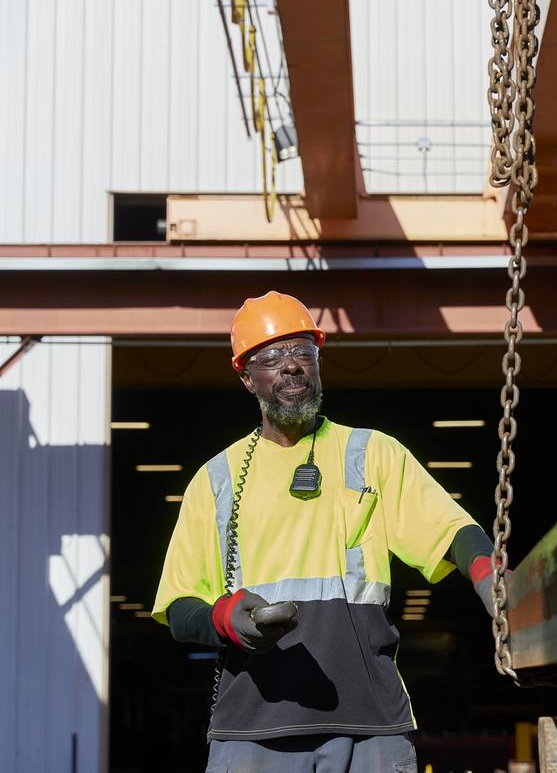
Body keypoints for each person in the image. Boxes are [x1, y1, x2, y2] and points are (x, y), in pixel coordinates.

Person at [152, 291, 499, 773]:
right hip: (254, 730)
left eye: (303, 352)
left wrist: (489, 576)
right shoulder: (217, 479)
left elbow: (451, 528)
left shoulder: (372, 454)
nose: (291, 366)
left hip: (367, 725)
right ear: (246, 376)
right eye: (272, 356)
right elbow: (178, 604)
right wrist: (227, 618)